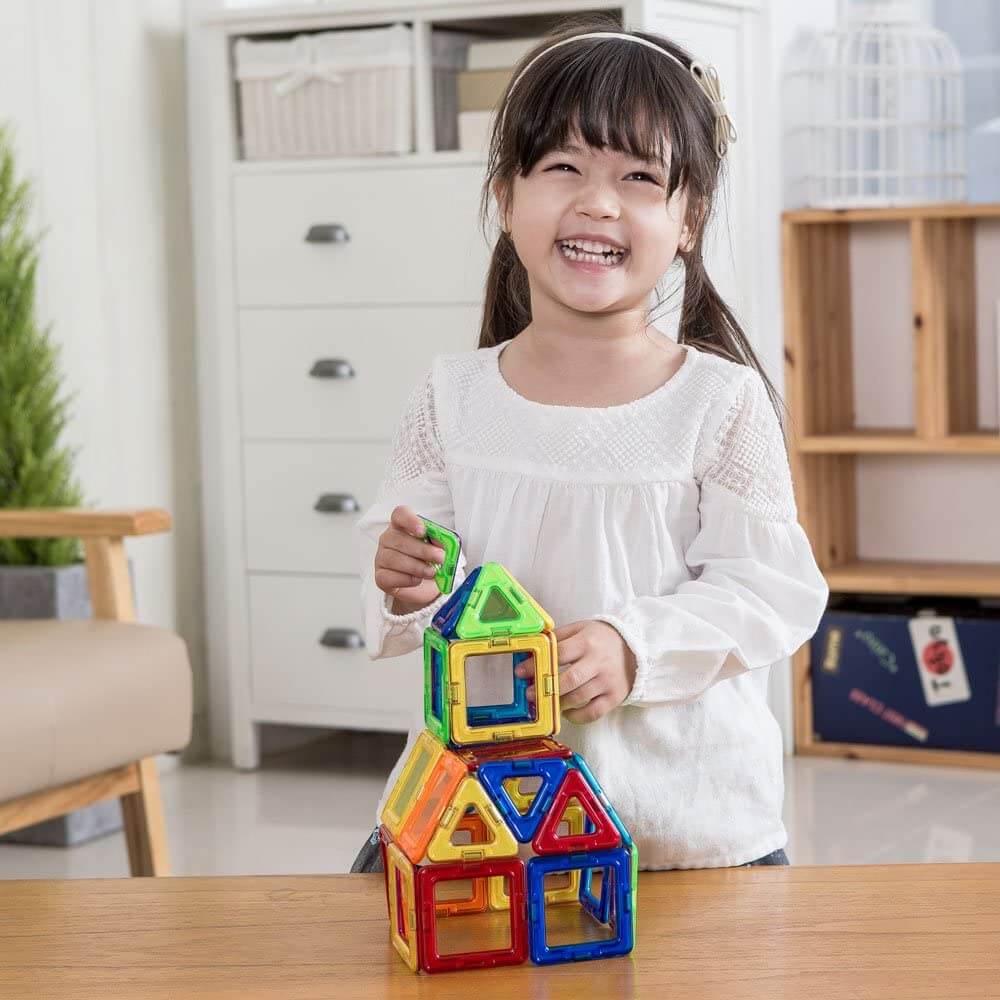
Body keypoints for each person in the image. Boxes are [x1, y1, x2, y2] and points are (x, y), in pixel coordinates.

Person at [350, 18, 829, 874]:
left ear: (689, 220)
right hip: (486, 821)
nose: (598, 202)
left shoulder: (719, 399)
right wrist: (402, 579)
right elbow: (419, 583)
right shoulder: (451, 395)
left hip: (685, 829)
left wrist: (634, 646)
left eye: (639, 177)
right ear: (506, 196)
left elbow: (770, 590)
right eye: (563, 167)